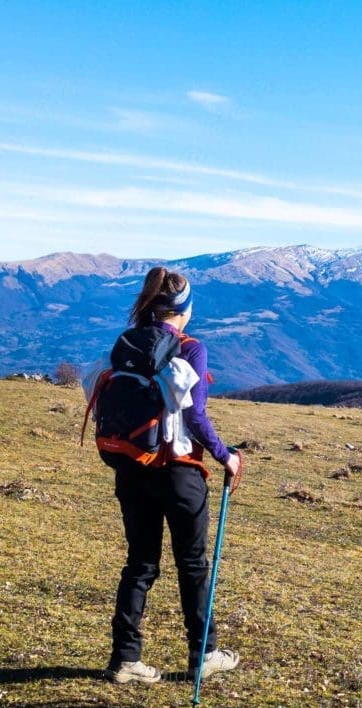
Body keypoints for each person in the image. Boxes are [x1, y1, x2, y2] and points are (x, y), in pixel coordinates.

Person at [104, 266, 241, 685]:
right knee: (193, 565)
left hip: (133, 464)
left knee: (140, 564)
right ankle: (204, 654)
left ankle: (126, 659)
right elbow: (195, 415)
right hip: (180, 471)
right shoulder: (190, 348)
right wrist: (225, 455)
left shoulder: (128, 343)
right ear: (183, 308)